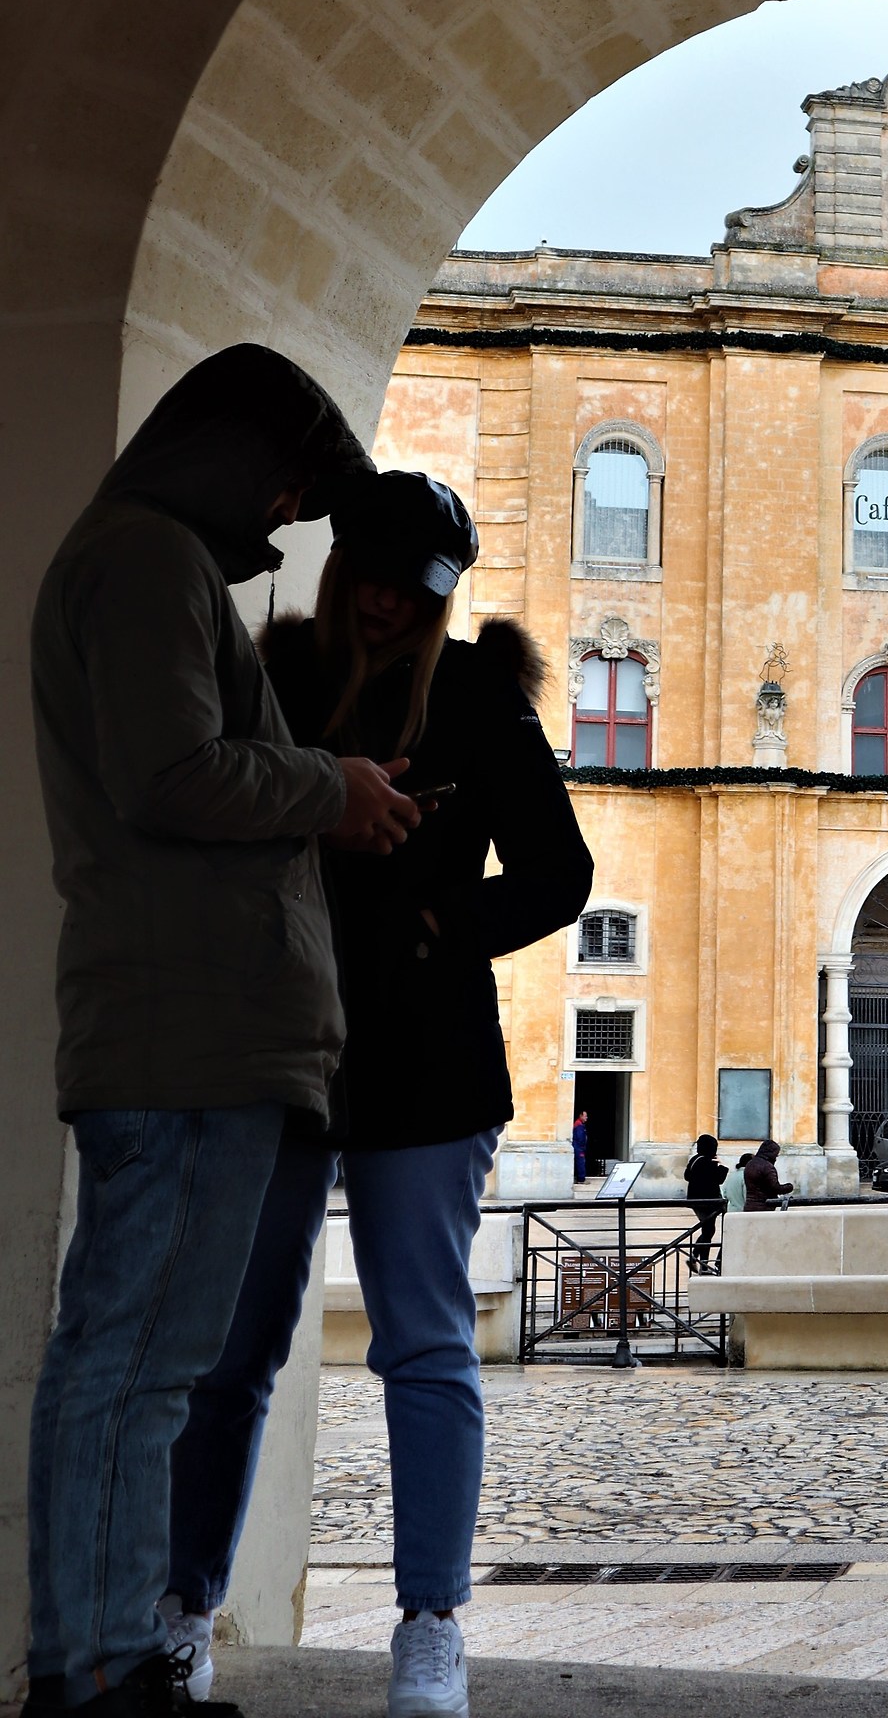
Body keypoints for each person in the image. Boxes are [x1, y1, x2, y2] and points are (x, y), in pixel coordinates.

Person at [161, 470, 593, 1718]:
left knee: (426, 1343)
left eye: (423, 585)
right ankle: (184, 1609)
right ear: (344, 563)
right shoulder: (276, 679)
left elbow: (559, 873)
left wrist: (440, 922)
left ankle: (430, 1629)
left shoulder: (478, 700)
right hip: (275, 1044)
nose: (396, 602)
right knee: (233, 1347)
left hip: (426, 1055)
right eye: (381, 573)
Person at [26, 345, 414, 1718]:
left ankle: (108, 1656)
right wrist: (334, 785)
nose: (290, 515)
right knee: (134, 1365)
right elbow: (170, 771)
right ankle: (93, 1669)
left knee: (146, 1367)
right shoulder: (144, 564)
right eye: (289, 482)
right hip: (184, 1031)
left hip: (193, 1031)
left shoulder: (151, 562)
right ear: (233, 452)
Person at [683, 1135, 728, 1272]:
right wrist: (722, 1166)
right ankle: (700, 1262)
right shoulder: (709, 1161)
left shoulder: (695, 1159)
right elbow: (719, 1179)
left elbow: (687, 1176)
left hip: (696, 1201)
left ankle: (698, 1261)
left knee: (707, 1230)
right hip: (709, 1202)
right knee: (708, 1231)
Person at [743, 1139, 793, 1211]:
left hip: (749, 1205)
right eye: (776, 1155)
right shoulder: (767, 1167)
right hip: (764, 1207)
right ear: (771, 1153)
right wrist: (789, 1187)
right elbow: (775, 1188)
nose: (776, 1158)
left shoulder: (750, 1164)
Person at [572, 1109, 589, 1185]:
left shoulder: (579, 1124)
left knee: (580, 1162)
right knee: (580, 1162)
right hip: (579, 1147)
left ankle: (580, 1178)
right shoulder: (579, 1124)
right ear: (581, 1116)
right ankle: (581, 1179)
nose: (586, 1118)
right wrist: (582, 1146)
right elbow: (580, 1137)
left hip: (578, 1146)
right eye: (585, 1116)